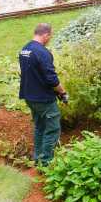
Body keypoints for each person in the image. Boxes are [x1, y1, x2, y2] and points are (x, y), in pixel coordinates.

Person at [18, 23, 67, 166]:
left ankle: (38, 157)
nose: (49, 39)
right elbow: (51, 78)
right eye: (49, 36)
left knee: (40, 127)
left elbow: (33, 74)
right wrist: (63, 92)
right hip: (43, 99)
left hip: (29, 96)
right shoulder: (42, 52)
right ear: (45, 35)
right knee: (52, 129)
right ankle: (46, 163)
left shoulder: (25, 50)